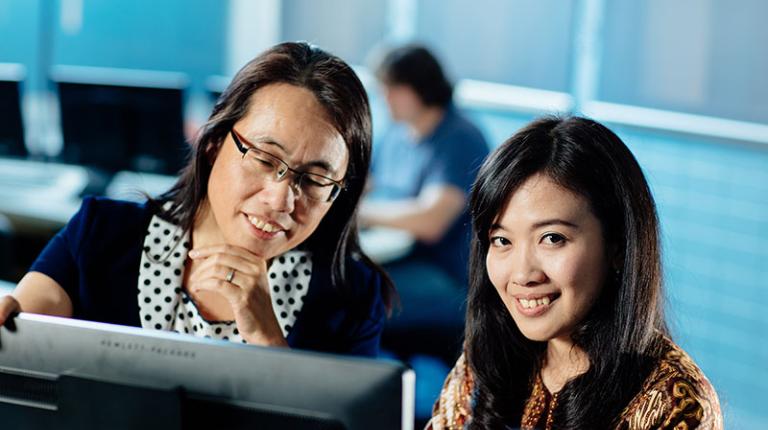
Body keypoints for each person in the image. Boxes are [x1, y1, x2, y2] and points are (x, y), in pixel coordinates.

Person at [0, 42, 395, 357]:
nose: (281, 200)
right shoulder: (100, 233)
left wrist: (267, 340)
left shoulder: (353, 296)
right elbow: (25, 339)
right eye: (263, 158)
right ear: (213, 145)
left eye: (314, 179)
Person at [428, 116, 722, 429]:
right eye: (502, 240)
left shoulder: (673, 401)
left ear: (618, 247)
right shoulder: (486, 363)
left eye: (552, 238)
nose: (523, 273)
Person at [361, 44, 489, 363]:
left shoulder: (459, 138)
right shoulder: (397, 133)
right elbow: (365, 184)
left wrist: (361, 214)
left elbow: (431, 221)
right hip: (402, 261)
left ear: (419, 88)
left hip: (447, 276)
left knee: (350, 299)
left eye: (392, 89)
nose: (384, 99)